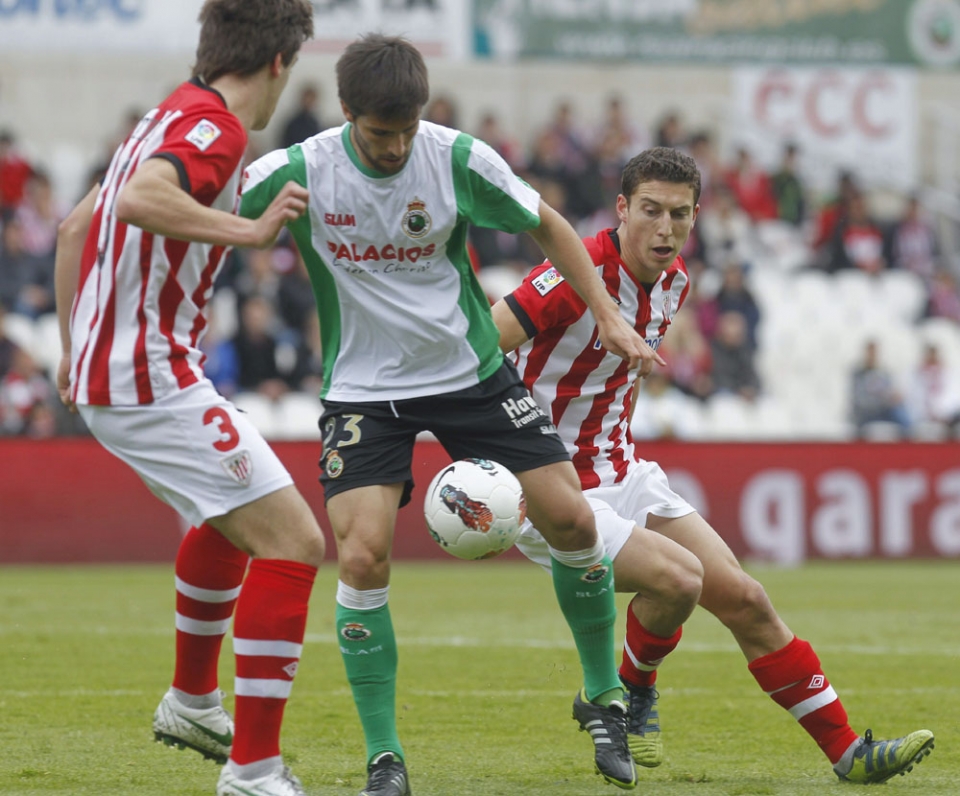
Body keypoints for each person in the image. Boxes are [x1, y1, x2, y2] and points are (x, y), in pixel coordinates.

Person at [240, 33, 660, 796]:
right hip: (365, 390)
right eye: (379, 133)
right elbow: (194, 213)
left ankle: (603, 697)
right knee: (363, 556)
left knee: (572, 519)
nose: (397, 147)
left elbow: (552, 226)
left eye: (407, 129)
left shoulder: (457, 159)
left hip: (470, 372)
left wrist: (604, 312)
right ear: (344, 115)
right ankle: (385, 757)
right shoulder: (296, 172)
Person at [492, 146, 935, 785]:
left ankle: (847, 754)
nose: (665, 229)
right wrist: (493, 452)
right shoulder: (572, 272)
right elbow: (478, 346)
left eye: (679, 214)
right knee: (680, 581)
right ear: (621, 208)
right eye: (650, 211)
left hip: (622, 469)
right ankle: (622, 691)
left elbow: (616, 376)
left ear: (697, 216)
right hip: (550, 485)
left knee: (747, 598)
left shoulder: (675, 282)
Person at [53, 3, 322, 795]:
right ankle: (253, 770)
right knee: (294, 543)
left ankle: (195, 702)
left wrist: (74, 349)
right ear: (279, 62)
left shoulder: (166, 113)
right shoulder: (219, 129)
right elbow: (138, 200)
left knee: (230, 516)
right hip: (149, 377)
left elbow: (77, 226)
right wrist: (252, 231)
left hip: (132, 372)